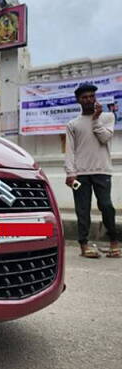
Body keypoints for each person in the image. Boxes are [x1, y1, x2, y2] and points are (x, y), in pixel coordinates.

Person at [64, 83, 119, 258]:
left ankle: (114, 242)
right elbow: (70, 150)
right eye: (84, 97)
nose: (89, 100)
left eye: (91, 96)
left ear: (95, 97)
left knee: (106, 206)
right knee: (82, 209)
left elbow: (105, 138)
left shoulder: (108, 117)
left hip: (102, 170)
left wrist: (96, 119)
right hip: (80, 174)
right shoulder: (73, 124)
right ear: (78, 100)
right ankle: (84, 245)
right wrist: (70, 173)